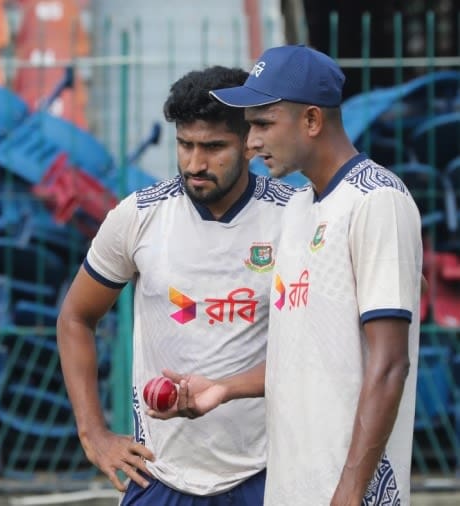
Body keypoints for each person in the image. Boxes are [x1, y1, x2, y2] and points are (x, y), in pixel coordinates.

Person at [166, 45, 422, 505]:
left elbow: (390, 365)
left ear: (311, 121)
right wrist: (223, 389)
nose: (251, 142)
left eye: (263, 124)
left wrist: (348, 492)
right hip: (290, 487)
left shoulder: (377, 200)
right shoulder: (300, 208)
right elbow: (304, 357)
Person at [56, 66, 296, 505]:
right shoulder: (139, 216)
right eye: (185, 145)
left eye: (213, 147)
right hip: (161, 476)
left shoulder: (294, 217)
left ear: (249, 144)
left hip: (267, 473)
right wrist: (93, 433)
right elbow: (76, 317)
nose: (195, 163)